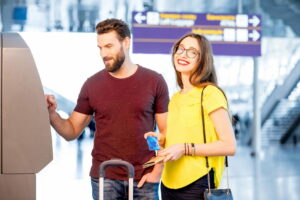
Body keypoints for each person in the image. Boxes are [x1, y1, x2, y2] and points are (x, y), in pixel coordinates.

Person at [45, 18, 169, 200]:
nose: (103, 53)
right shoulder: (92, 85)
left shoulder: (154, 81)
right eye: (100, 48)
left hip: (144, 178)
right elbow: (71, 131)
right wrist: (51, 113)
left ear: (126, 42)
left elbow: (166, 132)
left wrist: (157, 172)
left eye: (109, 46)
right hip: (105, 177)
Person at [145, 33, 236, 200]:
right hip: (168, 183)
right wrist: (162, 139)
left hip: (197, 183)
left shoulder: (210, 93)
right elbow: (180, 136)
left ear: (203, 59)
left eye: (192, 51)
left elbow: (229, 146)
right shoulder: (176, 98)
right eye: (180, 49)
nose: (183, 54)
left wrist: (184, 148)